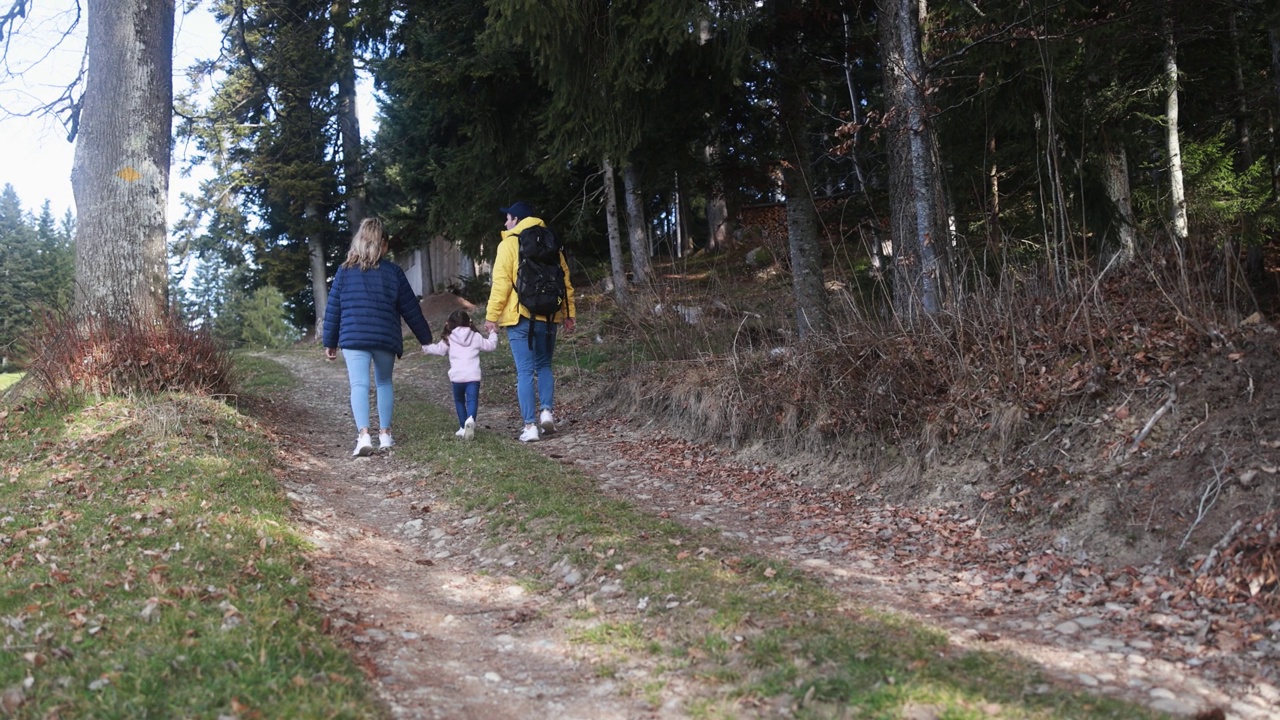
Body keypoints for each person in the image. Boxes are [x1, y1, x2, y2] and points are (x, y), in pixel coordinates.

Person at [322, 217, 434, 457]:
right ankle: (385, 434)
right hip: (384, 338)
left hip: (353, 338)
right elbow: (410, 308)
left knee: (359, 385)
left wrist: (330, 342)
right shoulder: (393, 272)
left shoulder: (344, 271)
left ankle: (363, 435)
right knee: (384, 383)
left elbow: (334, 308)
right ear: (382, 244)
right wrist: (425, 339)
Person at [483, 201, 576, 443]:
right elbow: (565, 281)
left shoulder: (508, 244)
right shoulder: (550, 241)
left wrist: (492, 316)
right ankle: (546, 411)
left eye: (508, 218)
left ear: (517, 219)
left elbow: (501, 283)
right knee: (544, 366)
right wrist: (569, 313)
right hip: (549, 315)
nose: (505, 222)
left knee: (524, 371)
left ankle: (530, 427)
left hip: (520, 316)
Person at [423, 308, 499, 440]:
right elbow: (491, 346)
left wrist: (426, 348)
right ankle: (470, 421)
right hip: (473, 377)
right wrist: (492, 333)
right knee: (472, 401)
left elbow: (439, 350)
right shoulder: (475, 336)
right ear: (469, 322)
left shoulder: (449, 338)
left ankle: (463, 427)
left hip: (457, 378)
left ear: (449, 324)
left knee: (459, 401)